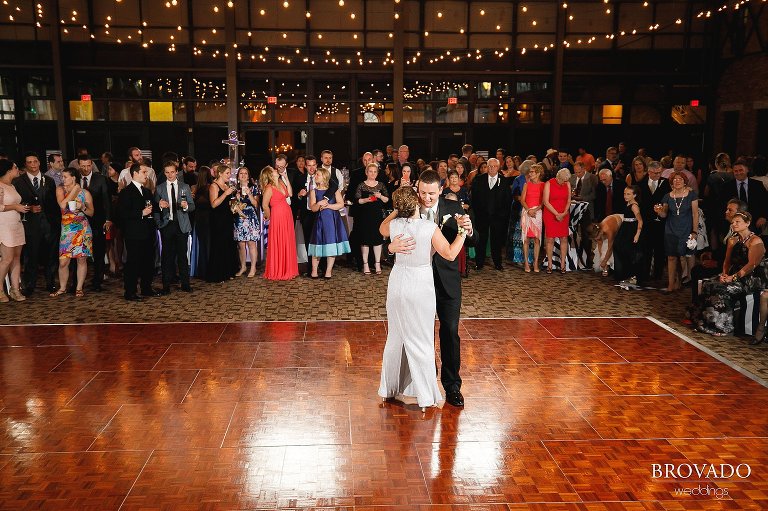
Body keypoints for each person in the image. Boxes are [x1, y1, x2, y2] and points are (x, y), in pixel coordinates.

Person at [386, 169, 478, 408]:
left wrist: (467, 229)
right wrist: (390, 248)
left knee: (449, 331)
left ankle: (452, 386)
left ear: (441, 190)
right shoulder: (407, 213)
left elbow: (474, 237)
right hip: (418, 286)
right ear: (418, 191)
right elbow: (387, 233)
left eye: (432, 194)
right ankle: (425, 383)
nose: (427, 198)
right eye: (423, 193)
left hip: (447, 283)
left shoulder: (453, 208)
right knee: (421, 336)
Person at [690, 212, 767, 336]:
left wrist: (733, 277)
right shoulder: (733, 240)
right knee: (708, 284)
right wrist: (724, 274)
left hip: (750, 278)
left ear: (747, 223)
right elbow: (727, 261)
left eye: (738, 222)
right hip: (733, 274)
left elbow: (751, 265)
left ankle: (723, 326)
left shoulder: (756, 241)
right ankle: (704, 322)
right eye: (733, 222)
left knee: (721, 288)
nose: (734, 224)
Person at [12, 152, 59, 295]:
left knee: (51, 256)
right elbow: (15, 202)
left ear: (39, 163)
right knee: (30, 256)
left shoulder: (49, 180)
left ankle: (50, 283)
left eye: (35, 162)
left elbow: (53, 204)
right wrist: (29, 208)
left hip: (49, 224)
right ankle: (30, 285)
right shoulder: (18, 182)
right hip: (30, 224)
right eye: (29, 162)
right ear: (25, 165)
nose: (32, 164)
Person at [117, 163, 158, 301]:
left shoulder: (146, 191)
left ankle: (146, 288)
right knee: (133, 263)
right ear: (135, 173)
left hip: (147, 232)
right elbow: (122, 213)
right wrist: (141, 213)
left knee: (148, 261)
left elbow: (151, 207)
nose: (146, 175)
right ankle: (130, 292)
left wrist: (160, 205)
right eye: (144, 172)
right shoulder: (126, 192)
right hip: (133, 233)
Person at [50, 168, 94, 298]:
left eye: (65, 177)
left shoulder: (85, 193)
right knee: (63, 261)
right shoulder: (60, 190)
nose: (62, 179)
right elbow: (63, 205)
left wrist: (83, 207)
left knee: (81, 259)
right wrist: (74, 190)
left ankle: (79, 288)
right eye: (62, 177)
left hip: (82, 228)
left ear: (73, 177)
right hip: (67, 230)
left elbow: (91, 212)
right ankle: (62, 287)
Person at [154, 161, 195, 294]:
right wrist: (160, 206)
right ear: (164, 173)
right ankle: (166, 286)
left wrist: (186, 206)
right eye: (167, 172)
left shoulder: (185, 186)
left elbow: (192, 206)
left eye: (172, 172)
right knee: (167, 257)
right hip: (167, 225)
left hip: (181, 225)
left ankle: (185, 284)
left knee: (182, 256)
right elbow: (155, 209)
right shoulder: (159, 188)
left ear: (176, 172)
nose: (170, 175)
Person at [654, 171, 699, 293]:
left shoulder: (691, 195)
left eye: (679, 179)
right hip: (671, 230)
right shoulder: (667, 196)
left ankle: (685, 280)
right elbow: (664, 215)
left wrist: (694, 231)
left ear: (685, 181)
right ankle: (671, 284)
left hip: (686, 229)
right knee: (671, 257)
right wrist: (659, 211)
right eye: (674, 179)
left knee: (685, 256)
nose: (677, 181)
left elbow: (695, 214)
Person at [308, 167, 350, 279]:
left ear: (324, 177)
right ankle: (314, 271)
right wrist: (319, 204)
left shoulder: (334, 191)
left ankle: (328, 271)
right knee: (318, 244)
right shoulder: (313, 191)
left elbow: (341, 204)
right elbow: (313, 208)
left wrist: (329, 205)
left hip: (332, 220)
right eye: (315, 174)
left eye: (318, 174)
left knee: (331, 245)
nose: (315, 176)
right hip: (320, 221)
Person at [77, 155, 111, 292]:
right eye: (83, 166)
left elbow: (106, 201)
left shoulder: (101, 179)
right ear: (78, 165)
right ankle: (78, 282)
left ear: (92, 165)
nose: (85, 168)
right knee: (79, 254)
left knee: (98, 252)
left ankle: (97, 281)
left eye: (88, 165)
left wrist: (108, 219)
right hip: (78, 221)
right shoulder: (74, 179)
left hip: (97, 220)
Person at [471, 158, 511, 271]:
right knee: (481, 240)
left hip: (498, 218)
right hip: (481, 216)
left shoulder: (504, 181)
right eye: (490, 166)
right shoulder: (478, 179)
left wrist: (502, 215)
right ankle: (479, 263)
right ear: (486, 167)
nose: (492, 168)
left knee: (496, 241)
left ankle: (497, 263)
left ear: (498, 167)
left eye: (494, 166)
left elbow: (507, 200)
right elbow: (474, 198)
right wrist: (478, 213)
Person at [261, 165, 299, 280]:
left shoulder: (281, 182)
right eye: (273, 170)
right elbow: (264, 205)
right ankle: (279, 270)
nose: (276, 170)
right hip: (277, 216)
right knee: (280, 240)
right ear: (270, 175)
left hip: (287, 214)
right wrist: (269, 217)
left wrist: (286, 178)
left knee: (287, 240)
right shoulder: (269, 188)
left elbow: (290, 194)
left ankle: (288, 269)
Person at [0, 160, 29, 302]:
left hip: (16, 223)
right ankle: (0, 289)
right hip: (4, 225)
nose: (18, 169)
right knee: (7, 259)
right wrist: (16, 207)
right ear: (8, 170)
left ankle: (15, 289)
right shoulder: (0, 186)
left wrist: (20, 208)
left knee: (17, 258)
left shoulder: (12, 185)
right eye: (15, 167)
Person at [206, 164, 239, 283]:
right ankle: (218, 274)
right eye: (227, 173)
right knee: (219, 245)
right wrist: (225, 194)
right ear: (220, 174)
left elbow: (229, 203)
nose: (229, 176)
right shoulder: (214, 186)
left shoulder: (226, 185)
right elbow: (214, 204)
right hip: (218, 219)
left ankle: (228, 272)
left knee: (228, 245)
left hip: (227, 217)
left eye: (230, 173)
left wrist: (235, 201)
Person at [355, 162, 389, 275]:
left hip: (377, 216)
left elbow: (387, 200)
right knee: (365, 240)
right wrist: (365, 200)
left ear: (377, 173)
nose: (373, 173)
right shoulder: (361, 185)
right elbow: (357, 200)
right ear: (366, 172)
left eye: (375, 171)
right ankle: (365, 265)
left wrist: (380, 196)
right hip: (364, 216)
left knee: (377, 240)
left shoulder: (381, 185)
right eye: (370, 171)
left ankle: (377, 263)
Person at [612, 185, 644, 284]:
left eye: (628, 194)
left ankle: (631, 275)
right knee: (619, 249)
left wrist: (637, 234)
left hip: (631, 230)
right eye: (625, 194)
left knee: (628, 252)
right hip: (625, 228)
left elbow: (640, 221)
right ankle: (624, 274)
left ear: (634, 195)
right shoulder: (628, 204)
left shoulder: (634, 206)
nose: (625, 196)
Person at [232, 167, 261, 278]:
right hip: (238, 218)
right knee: (241, 244)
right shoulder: (234, 189)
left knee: (251, 243)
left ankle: (253, 267)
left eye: (245, 173)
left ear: (248, 176)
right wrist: (237, 199)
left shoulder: (254, 188)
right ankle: (243, 266)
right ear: (238, 176)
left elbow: (256, 204)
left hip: (250, 217)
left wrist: (249, 194)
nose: (243, 175)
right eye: (241, 173)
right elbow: (232, 205)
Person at [542, 168, 572, 273]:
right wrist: (556, 214)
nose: (565, 182)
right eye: (563, 180)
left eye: (566, 181)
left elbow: (569, 200)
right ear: (558, 177)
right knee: (550, 239)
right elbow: (545, 202)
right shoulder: (549, 183)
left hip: (563, 214)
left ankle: (562, 264)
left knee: (564, 238)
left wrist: (564, 212)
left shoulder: (567, 183)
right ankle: (550, 264)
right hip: (551, 213)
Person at [520, 164, 545, 273]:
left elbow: (544, 201)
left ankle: (535, 263)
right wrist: (529, 210)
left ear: (538, 173)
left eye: (532, 172)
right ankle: (526, 262)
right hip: (527, 211)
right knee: (526, 239)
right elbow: (522, 200)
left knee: (536, 239)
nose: (530, 174)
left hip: (537, 213)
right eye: (530, 172)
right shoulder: (527, 184)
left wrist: (535, 210)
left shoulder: (543, 185)